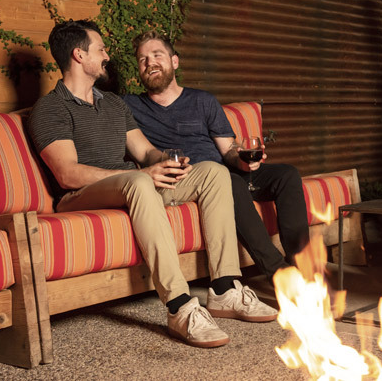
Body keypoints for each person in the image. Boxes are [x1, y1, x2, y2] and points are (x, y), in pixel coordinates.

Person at [28, 19, 277, 349]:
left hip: (131, 185)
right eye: (100, 49)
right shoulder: (51, 108)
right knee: (139, 183)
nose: (106, 56)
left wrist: (168, 162)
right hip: (79, 196)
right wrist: (140, 176)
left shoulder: (113, 104)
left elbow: (144, 151)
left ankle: (225, 289)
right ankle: (179, 307)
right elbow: (67, 174)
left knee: (213, 173)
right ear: (78, 55)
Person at [124, 30, 310, 282]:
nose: (150, 63)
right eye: (143, 59)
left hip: (227, 172)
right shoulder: (130, 106)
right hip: (194, 180)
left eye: (157, 55)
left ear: (174, 61)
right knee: (228, 181)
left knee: (287, 174)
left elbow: (228, 149)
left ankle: (304, 268)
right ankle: (281, 276)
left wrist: (243, 158)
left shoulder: (203, 100)